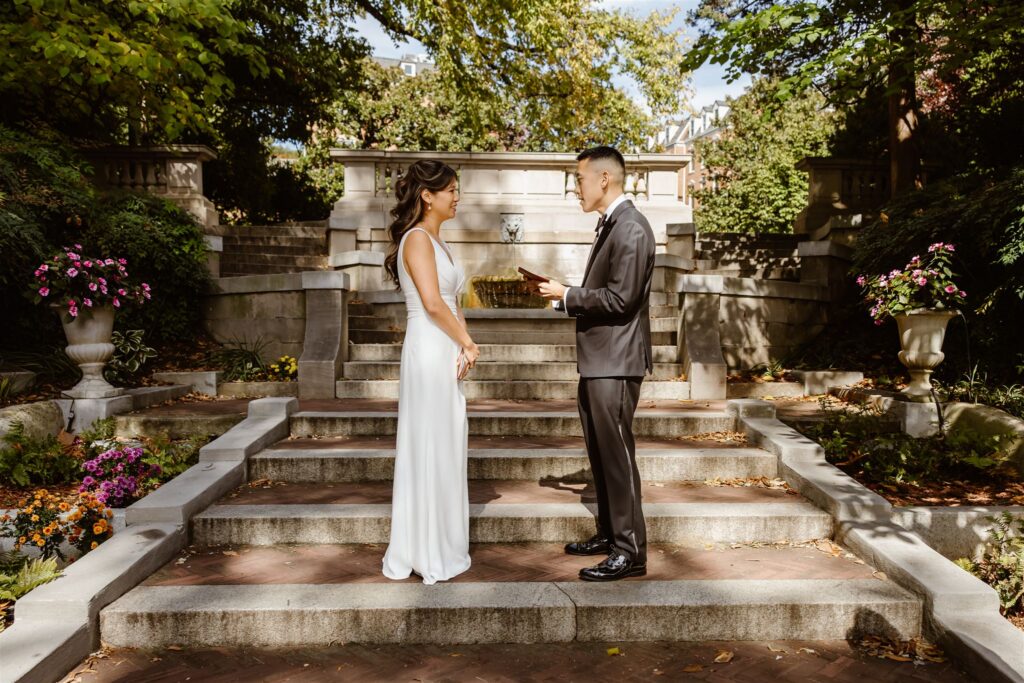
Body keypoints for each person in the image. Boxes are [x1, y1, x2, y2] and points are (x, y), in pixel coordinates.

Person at [534, 145, 656, 581]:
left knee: (618, 458)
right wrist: (564, 295)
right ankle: (609, 533)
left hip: (617, 363)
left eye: (580, 179)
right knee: (601, 454)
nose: (576, 188)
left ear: (604, 179)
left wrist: (566, 295)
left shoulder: (632, 229)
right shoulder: (612, 225)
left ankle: (631, 551)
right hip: (599, 361)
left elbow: (621, 299)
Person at [381, 159, 479, 585]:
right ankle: (422, 548)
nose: (457, 197)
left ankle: (443, 541)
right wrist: (468, 342)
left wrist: (464, 343)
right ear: (427, 195)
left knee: (446, 441)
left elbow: (455, 302)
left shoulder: (441, 243)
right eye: (451, 190)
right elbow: (433, 304)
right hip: (426, 347)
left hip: (446, 346)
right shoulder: (417, 239)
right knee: (429, 442)